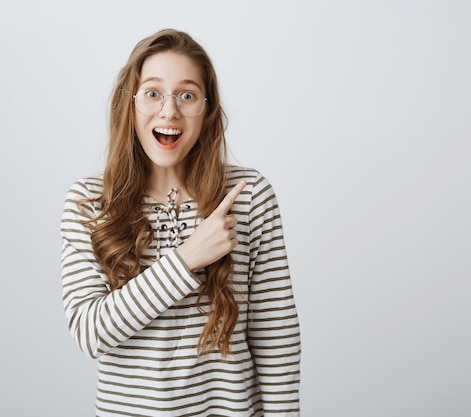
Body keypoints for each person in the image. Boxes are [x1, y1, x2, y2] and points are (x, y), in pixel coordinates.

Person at [60, 28, 301, 416]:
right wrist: (186, 258)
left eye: (186, 95)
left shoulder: (250, 195)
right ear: (130, 104)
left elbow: (277, 340)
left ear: (206, 111)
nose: (169, 111)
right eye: (153, 93)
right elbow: (90, 333)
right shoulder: (90, 203)